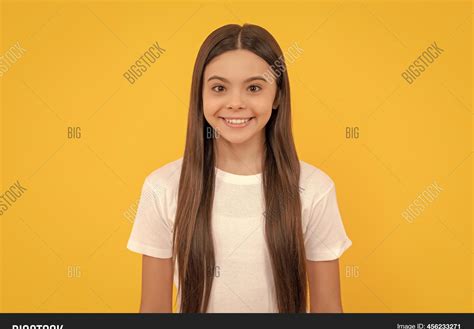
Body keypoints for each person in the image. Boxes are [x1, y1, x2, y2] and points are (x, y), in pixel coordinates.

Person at [127, 23, 352, 313]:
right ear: (201, 95)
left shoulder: (314, 189)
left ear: (278, 96)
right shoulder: (162, 188)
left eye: (254, 88)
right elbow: (154, 311)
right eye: (219, 88)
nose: (235, 103)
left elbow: (328, 310)